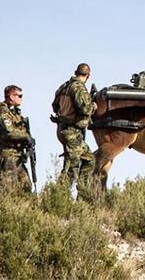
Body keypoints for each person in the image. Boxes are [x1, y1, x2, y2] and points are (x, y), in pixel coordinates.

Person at [52, 63, 97, 201]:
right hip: (72, 132)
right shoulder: (78, 87)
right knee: (72, 166)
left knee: (88, 159)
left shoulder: (64, 86)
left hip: (63, 128)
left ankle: (79, 194)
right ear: (88, 76)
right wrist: (93, 105)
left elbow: (54, 106)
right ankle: (60, 198)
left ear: (75, 72)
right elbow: (85, 109)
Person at [0, 85, 32, 193]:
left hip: (17, 155)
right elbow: (9, 132)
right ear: (11, 96)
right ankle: (1, 208)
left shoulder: (15, 112)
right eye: (19, 95)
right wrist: (26, 137)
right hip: (6, 154)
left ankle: (26, 208)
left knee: (26, 186)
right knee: (8, 188)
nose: (21, 98)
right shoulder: (3, 112)